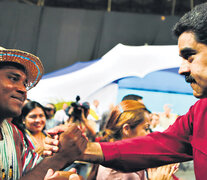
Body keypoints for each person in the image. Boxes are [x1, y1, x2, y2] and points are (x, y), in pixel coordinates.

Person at [45, 3, 207, 180]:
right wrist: (83, 149)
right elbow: (155, 146)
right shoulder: (199, 114)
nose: (182, 69)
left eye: (190, 57)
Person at [0, 47, 87, 180]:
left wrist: (61, 146)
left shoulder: (13, 134)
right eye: (13, 78)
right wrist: (60, 157)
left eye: (25, 83)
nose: (23, 89)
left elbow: (31, 171)